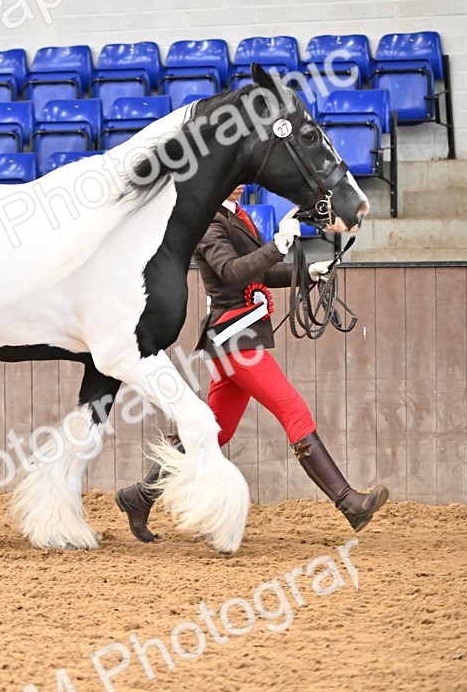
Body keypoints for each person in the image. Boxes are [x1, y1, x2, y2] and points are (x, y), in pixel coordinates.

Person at [115, 185, 389, 543]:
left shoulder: (237, 216)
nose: (241, 183)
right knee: (293, 409)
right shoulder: (208, 222)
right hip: (235, 338)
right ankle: (348, 502)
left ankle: (139, 496)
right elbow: (232, 272)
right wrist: (278, 244)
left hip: (239, 338)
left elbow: (259, 275)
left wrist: (307, 273)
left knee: (214, 432)